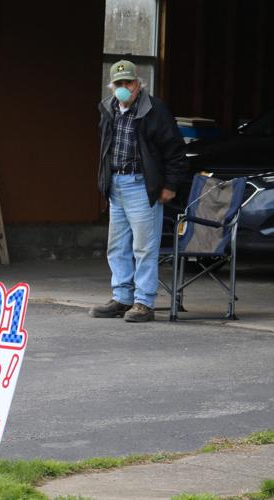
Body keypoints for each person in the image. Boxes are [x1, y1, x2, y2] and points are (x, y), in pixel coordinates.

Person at [89, 60, 188, 322]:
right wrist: (105, 182)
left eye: (128, 83)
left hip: (141, 185)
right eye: (119, 83)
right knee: (117, 246)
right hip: (117, 185)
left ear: (138, 84)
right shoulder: (108, 108)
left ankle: (144, 302)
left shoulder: (155, 110)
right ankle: (122, 297)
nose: (124, 88)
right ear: (112, 86)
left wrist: (170, 185)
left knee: (144, 247)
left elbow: (175, 151)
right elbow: (105, 147)